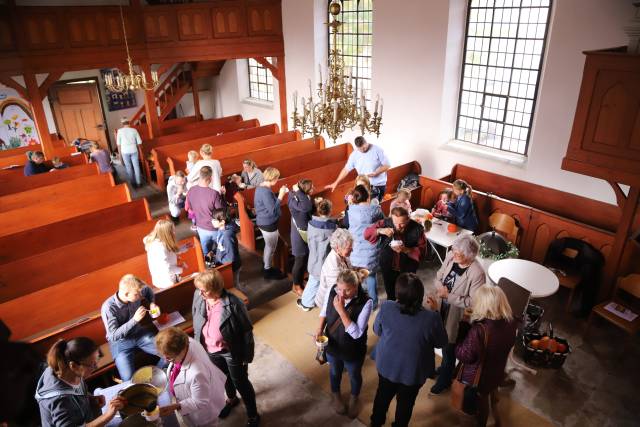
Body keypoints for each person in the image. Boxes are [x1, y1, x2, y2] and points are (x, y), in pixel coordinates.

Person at [370, 273, 448, 427]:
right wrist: (436, 311)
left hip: (387, 365)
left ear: (398, 292)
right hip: (413, 371)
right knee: (406, 404)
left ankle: (376, 423)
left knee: (382, 397)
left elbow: (376, 331)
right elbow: (441, 342)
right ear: (420, 295)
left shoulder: (386, 307)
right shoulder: (431, 318)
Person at [192, 270, 260, 427]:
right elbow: (196, 314)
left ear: (216, 288)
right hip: (210, 350)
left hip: (231, 351)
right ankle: (232, 399)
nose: (199, 292)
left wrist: (246, 357)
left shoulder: (235, 304)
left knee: (241, 382)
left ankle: (253, 414)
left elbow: (247, 331)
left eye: (204, 290)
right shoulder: (199, 295)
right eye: (199, 289)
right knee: (222, 378)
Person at [455, 285, 518, 427]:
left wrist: (464, 326)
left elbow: (463, 355)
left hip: (478, 379)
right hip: (496, 372)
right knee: (487, 398)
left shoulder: (479, 331)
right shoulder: (512, 322)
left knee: (472, 409)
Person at [430, 235, 486, 394]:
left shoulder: (477, 273)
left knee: (449, 348)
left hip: (455, 315)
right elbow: (438, 276)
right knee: (438, 339)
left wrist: (449, 296)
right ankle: (444, 368)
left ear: (470, 256)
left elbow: (474, 302)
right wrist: (440, 288)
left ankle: (445, 381)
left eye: (458, 254)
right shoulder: (450, 256)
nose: (454, 255)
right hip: (439, 306)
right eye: (454, 251)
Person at [315, 269, 372, 419]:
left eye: (346, 290)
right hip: (332, 343)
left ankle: (354, 398)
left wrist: (341, 311)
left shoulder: (366, 302)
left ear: (356, 286)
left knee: (354, 374)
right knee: (334, 371)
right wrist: (319, 329)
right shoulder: (333, 291)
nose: (341, 293)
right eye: (339, 289)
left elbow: (357, 333)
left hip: (353, 348)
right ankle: (336, 395)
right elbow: (324, 312)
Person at [35, 337, 126, 426]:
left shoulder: (69, 370)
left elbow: (77, 392)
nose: (96, 367)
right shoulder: (61, 400)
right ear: (73, 365)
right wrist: (107, 415)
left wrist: (90, 399)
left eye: (96, 362)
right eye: (92, 365)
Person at [155, 327, 226, 426]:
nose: (165, 361)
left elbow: (199, 401)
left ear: (181, 350)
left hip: (203, 413)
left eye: (169, 358)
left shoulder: (197, 373)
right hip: (202, 388)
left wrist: (176, 406)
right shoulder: (186, 341)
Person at [100, 274, 165, 381]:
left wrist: (152, 303)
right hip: (120, 343)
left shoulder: (136, 291)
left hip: (139, 334)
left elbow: (147, 290)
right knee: (128, 380)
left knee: (169, 354)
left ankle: (153, 378)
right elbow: (113, 336)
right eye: (137, 294)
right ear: (126, 294)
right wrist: (134, 320)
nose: (140, 296)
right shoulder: (108, 307)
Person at [364, 206, 427, 301]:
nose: (397, 227)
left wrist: (406, 250)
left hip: (408, 268)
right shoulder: (385, 223)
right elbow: (366, 234)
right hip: (388, 265)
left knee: (406, 294)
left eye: (402, 224)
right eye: (395, 223)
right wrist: (380, 230)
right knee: (390, 293)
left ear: (408, 219)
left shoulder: (417, 229)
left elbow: (423, 252)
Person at [347, 184, 384, 308]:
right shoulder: (375, 210)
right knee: (371, 276)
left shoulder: (351, 210)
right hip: (370, 251)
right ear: (368, 197)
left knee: (358, 276)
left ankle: (359, 298)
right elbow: (383, 223)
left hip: (355, 250)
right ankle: (373, 303)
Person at [298, 198, 338, 311]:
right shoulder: (332, 228)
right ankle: (306, 303)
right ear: (330, 211)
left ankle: (309, 301)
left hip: (313, 257)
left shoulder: (311, 224)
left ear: (318, 210)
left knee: (313, 281)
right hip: (324, 260)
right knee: (316, 282)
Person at [326, 136, 390, 202]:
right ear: (357, 147)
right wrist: (336, 182)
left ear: (366, 142)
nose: (363, 150)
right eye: (360, 149)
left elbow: (387, 165)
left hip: (378, 185)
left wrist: (376, 172)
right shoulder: (354, 155)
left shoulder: (377, 150)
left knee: (374, 206)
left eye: (364, 148)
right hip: (363, 186)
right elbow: (346, 169)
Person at [254, 167, 288, 280]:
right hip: (268, 223)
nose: (277, 180)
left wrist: (278, 194)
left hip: (263, 221)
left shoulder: (261, 187)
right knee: (271, 247)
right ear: (273, 178)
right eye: (277, 178)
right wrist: (281, 195)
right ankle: (267, 271)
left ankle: (266, 265)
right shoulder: (265, 191)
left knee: (268, 246)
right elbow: (272, 209)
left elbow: (268, 202)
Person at [185, 166, 224, 259]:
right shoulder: (214, 193)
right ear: (209, 178)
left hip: (200, 227)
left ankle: (209, 265)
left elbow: (190, 208)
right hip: (213, 228)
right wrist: (222, 196)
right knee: (221, 248)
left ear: (200, 176)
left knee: (206, 252)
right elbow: (220, 212)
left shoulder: (191, 190)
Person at [314, 228, 354, 309]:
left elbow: (348, 269)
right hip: (331, 300)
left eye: (351, 247)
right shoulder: (333, 265)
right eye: (349, 248)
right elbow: (338, 290)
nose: (352, 250)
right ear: (338, 248)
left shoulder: (342, 255)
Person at [288, 179, 314, 296]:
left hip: (306, 232)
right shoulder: (295, 199)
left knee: (305, 258)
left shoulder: (303, 197)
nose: (314, 188)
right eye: (312, 187)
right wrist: (298, 192)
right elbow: (306, 208)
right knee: (299, 261)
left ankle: (301, 279)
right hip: (298, 235)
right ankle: (296, 285)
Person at [143, 219, 185, 289]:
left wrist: (184, 247)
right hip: (166, 281)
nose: (174, 233)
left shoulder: (160, 241)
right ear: (166, 233)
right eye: (172, 231)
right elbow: (167, 269)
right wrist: (180, 269)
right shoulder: (159, 248)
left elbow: (170, 252)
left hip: (166, 277)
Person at [212, 209, 241, 286]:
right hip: (224, 263)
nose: (212, 221)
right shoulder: (221, 229)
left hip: (231, 266)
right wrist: (213, 252)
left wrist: (220, 261)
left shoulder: (227, 236)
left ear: (222, 222)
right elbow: (220, 244)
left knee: (233, 285)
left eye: (214, 220)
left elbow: (230, 258)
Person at [116, 117, 143, 187]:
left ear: (122, 123)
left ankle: (132, 183)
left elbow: (118, 144)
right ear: (129, 122)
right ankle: (139, 182)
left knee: (128, 167)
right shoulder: (134, 130)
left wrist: (119, 155)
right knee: (136, 166)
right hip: (134, 149)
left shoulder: (119, 131)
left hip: (124, 151)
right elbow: (139, 142)